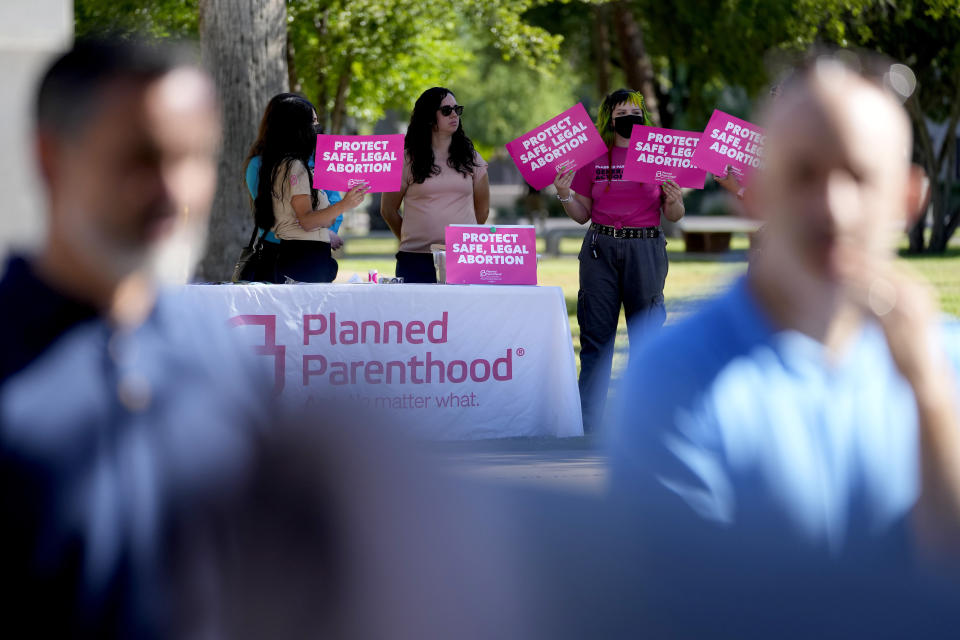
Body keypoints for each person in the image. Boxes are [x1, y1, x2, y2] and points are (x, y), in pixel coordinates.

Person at [607, 53, 960, 570]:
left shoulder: (945, 359)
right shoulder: (674, 377)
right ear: (756, 195)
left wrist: (930, 396)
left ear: (909, 200)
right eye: (803, 175)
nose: (832, 208)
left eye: (859, 176)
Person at [0, 38, 273, 638]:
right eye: (141, 159)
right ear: (49, 159)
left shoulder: (223, 358)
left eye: (194, 159)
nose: (173, 192)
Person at [552, 88, 685, 432]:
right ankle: (590, 424)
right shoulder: (592, 158)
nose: (629, 117)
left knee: (648, 337)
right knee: (596, 339)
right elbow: (581, 214)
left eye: (634, 111)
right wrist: (564, 194)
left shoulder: (660, 155)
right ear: (609, 117)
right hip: (601, 249)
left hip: (645, 249)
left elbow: (675, 213)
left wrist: (674, 199)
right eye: (621, 112)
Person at [248, 93, 366, 283]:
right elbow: (306, 221)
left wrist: (331, 217)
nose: (317, 129)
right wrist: (345, 204)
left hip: (308, 256)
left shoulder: (294, 164)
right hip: (297, 257)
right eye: (312, 122)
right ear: (296, 128)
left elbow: (325, 217)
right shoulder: (293, 167)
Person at [380, 87, 490, 283]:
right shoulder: (405, 160)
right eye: (446, 111)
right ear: (429, 117)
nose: (454, 114)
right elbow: (388, 210)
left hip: (462, 258)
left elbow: (481, 211)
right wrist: (412, 240)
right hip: (415, 260)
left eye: (457, 109)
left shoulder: (472, 158)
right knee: (417, 314)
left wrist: (461, 242)